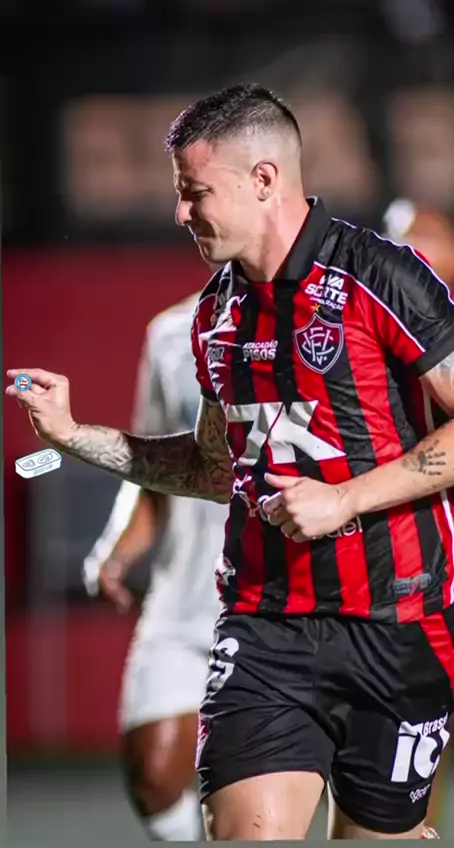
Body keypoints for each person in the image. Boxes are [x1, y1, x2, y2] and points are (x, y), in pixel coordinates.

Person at [7, 83, 454, 841]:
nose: (180, 213)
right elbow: (210, 470)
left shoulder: (380, 275)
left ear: (263, 179)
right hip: (263, 627)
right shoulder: (214, 315)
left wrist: (346, 498)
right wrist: (73, 436)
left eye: (195, 192)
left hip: (400, 624)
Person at [82, 295, 227, 841]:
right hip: (187, 595)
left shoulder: (329, 314)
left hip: (293, 600)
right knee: (154, 775)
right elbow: (151, 464)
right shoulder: (170, 332)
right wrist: (116, 551)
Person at [383, 198, 454, 829]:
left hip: (450, 531)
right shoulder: (354, 316)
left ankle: (414, 828)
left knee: (428, 699)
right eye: (401, 236)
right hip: (359, 527)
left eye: (428, 235)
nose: (413, 247)